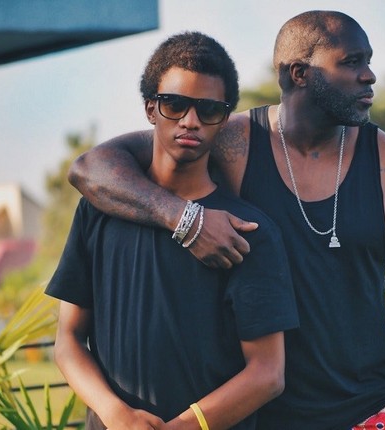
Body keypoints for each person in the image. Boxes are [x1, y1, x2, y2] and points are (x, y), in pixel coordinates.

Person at [69, 11, 385, 430]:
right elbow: (92, 168)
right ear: (299, 73)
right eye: (351, 62)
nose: (370, 76)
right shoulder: (230, 138)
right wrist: (186, 219)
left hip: (366, 415)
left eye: (368, 61)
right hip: (258, 415)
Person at [48, 31, 299, 430]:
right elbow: (68, 341)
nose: (190, 121)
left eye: (209, 109)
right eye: (175, 104)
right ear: (150, 109)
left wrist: (186, 425)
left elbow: (268, 374)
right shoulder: (99, 210)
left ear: (225, 119)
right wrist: (116, 415)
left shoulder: (248, 230)